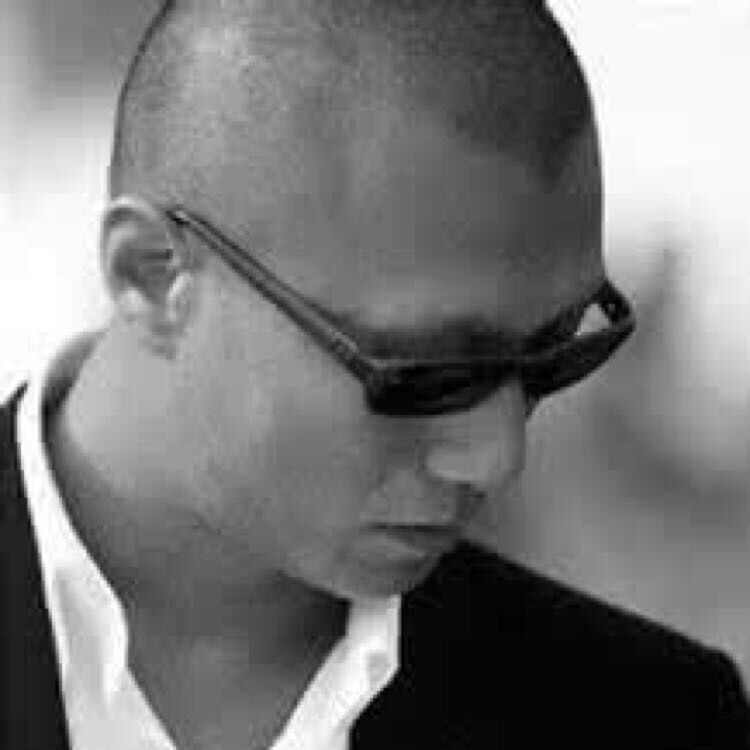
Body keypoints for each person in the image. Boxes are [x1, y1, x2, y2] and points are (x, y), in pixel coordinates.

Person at [1, 0, 748, 748]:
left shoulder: (652, 720)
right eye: (420, 371)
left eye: (554, 354)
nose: (497, 457)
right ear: (153, 274)